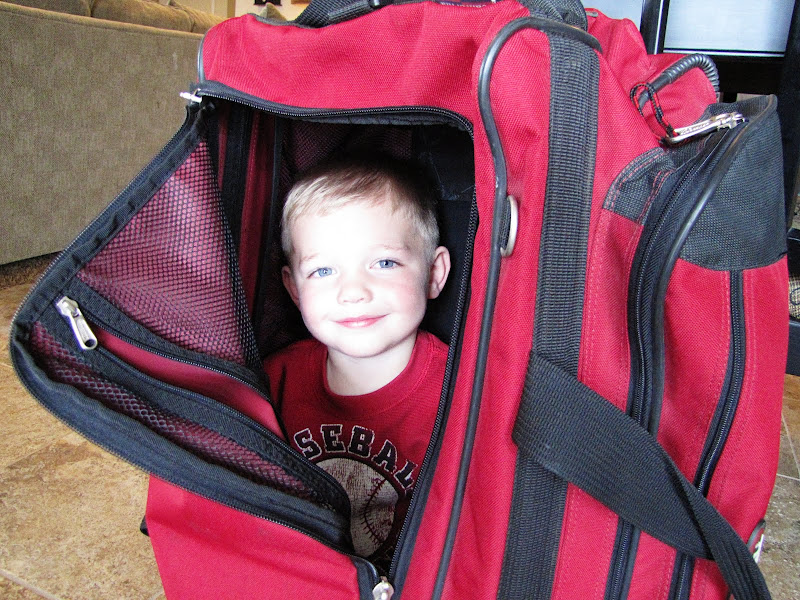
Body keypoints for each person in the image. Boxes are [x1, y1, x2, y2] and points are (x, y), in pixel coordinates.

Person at [263, 157, 451, 572]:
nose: (353, 291)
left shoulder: (458, 390)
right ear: (294, 290)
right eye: (323, 270)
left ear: (434, 273)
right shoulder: (274, 381)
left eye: (383, 263)